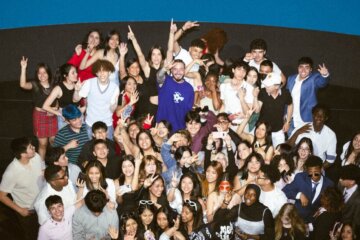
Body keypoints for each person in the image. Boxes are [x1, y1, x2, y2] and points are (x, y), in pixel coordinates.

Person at [0, 137, 44, 240]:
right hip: (29, 212)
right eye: (30, 147)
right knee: (32, 235)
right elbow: (2, 196)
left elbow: (41, 169)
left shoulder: (36, 156)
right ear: (23, 154)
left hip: (42, 205)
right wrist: (19, 210)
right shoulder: (11, 172)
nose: (34, 147)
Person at [19, 57, 57, 160]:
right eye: (39, 73)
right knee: (43, 144)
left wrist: (55, 109)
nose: (42, 75)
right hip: (40, 116)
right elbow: (23, 84)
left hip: (52, 116)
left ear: (49, 73)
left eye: (44, 72)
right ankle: (41, 166)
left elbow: (58, 100)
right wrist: (23, 68)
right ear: (37, 75)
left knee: (54, 141)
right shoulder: (35, 85)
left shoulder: (54, 86)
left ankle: (54, 162)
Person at [73, 59, 120, 139]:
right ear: (96, 73)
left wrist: (114, 105)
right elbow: (75, 100)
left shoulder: (115, 87)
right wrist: (77, 90)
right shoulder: (89, 83)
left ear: (109, 72)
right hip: (90, 124)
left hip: (107, 124)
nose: (102, 73)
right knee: (91, 149)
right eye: (99, 71)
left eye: (105, 70)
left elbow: (112, 110)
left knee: (108, 149)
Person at [282, 155, 334, 223]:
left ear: (321, 169)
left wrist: (323, 209)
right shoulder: (300, 178)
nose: (313, 176)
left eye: (316, 173)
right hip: (297, 220)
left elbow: (332, 204)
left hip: (315, 222)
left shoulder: (329, 184)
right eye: (310, 173)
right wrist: (299, 195)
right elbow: (285, 191)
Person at [286, 57, 330, 134]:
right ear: (298, 68)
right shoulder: (291, 78)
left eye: (307, 67)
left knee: (304, 144)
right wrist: (285, 116)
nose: (303, 70)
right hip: (291, 120)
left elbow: (322, 83)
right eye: (301, 67)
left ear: (311, 69)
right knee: (290, 143)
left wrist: (325, 75)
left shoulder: (314, 79)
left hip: (306, 120)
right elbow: (286, 99)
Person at [288, 104, 337, 169]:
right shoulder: (302, 127)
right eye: (316, 115)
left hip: (317, 166)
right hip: (297, 164)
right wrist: (297, 133)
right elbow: (288, 147)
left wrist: (316, 170)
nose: (319, 117)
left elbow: (330, 161)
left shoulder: (331, 135)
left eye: (322, 116)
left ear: (326, 118)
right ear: (313, 115)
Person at [254, 72, 293, 148]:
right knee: (258, 152)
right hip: (262, 130)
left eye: (268, 85)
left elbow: (290, 105)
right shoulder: (263, 92)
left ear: (277, 86)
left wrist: (288, 122)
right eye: (266, 84)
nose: (266, 86)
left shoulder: (285, 93)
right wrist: (255, 97)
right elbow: (257, 111)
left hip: (278, 130)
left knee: (279, 152)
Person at [156, 59, 194, 132]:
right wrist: (164, 69)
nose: (178, 72)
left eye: (181, 69)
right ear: (171, 70)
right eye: (175, 69)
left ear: (184, 70)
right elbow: (159, 76)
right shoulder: (166, 81)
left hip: (179, 129)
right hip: (163, 128)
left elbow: (188, 112)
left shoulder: (189, 88)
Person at [42, 63, 79, 130]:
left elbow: (79, 103)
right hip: (65, 119)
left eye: (76, 72)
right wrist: (59, 114)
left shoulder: (78, 85)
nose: (76, 74)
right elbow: (45, 106)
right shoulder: (58, 88)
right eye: (73, 73)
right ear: (65, 75)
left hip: (77, 117)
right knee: (67, 140)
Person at [220, 60, 254, 126]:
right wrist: (219, 120)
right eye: (239, 69)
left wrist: (242, 98)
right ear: (233, 70)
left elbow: (248, 112)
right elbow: (224, 105)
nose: (241, 73)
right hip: (226, 124)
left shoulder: (249, 88)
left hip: (241, 125)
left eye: (244, 71)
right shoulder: (223, 86)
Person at [339, 165, 360, 237]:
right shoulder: (340, 186)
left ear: (352, 182)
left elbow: (355, 222)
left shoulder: (358, 200)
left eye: (343, 178)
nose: (340, 179)